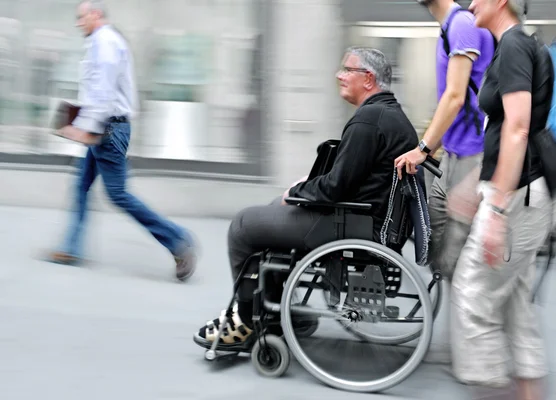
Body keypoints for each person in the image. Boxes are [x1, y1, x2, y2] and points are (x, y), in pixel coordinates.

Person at [193, 47, 419, 348]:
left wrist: (295, 193)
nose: (339, 75)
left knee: (244, 225)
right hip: (369, 221)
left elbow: (337, 187)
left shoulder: (369, 119)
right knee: (272, 212)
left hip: (353, 224)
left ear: (367, 79)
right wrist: (307, 186)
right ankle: (281, 313)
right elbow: (351, 179)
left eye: (347, 69)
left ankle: (246, 319)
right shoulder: (391, 116)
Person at [45, 0, 198, 282]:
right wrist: (82, 125)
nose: (78, 22)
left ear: (95, 14)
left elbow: (102, 94)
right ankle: (71, 248)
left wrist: (86, 130)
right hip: (106, 127)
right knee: (81, 185)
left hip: (108, 129)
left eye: (81, 17)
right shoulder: (103, 42)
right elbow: (97, 94)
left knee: (118, 194)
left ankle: (178, 241)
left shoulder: (105, 44)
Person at [450, 0, 556, 398]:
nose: (471, 2)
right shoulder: (518, 46)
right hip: (526, 195)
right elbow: (503, 132)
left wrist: (495, 209)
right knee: (516, 306)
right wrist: (475, 186)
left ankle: (490, 390)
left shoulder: (514, 46)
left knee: (472, 295)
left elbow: (517, 128)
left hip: (516, 200)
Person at [394, 0, 495, 363]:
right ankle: (466, 344)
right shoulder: (449, 26)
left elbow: (454, 97)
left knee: (459, 256)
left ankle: (473, 354)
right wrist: (434, 150)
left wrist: (422, 148)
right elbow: (452, 100)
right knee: (438, 249)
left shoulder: (464, 24)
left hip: (474, 159)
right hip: (453, 156)